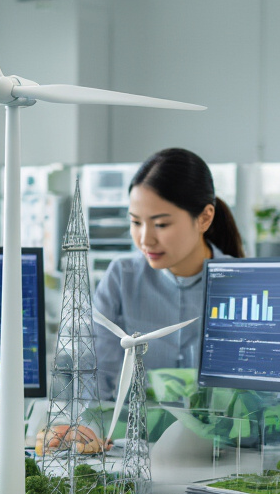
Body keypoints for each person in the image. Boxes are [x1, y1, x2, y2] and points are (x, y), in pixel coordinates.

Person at [92, 148, 245, 401]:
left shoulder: (241, 283)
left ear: (205, 218)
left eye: (161, 224)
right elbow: (93, 371)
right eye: (136, 222)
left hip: (219, 438)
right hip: (127, 437)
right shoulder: (122, 276)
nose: (145, 239)